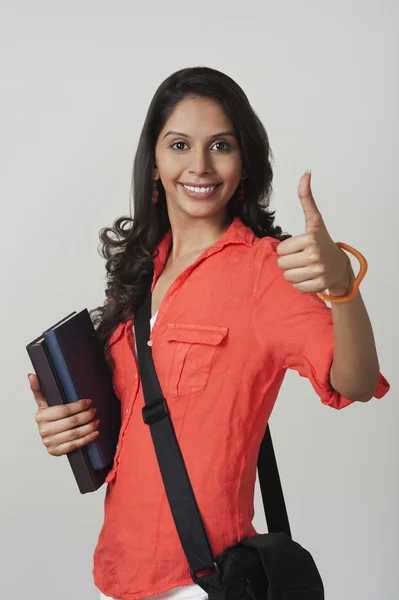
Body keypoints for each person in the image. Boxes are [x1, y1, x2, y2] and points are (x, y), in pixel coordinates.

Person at [29, 66, 390, 600]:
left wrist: (342, 288)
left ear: (245, 163)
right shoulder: (139, 273)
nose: (199, 165)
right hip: (117, 574)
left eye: (220, 145)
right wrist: (63, 423)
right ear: (153, 161)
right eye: (179, 145)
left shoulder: (264, 272)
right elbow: (133, 421)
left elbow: (355, 382)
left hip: (202, 583)